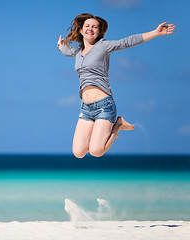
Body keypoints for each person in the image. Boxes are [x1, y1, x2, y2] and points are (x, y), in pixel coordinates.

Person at [57, 13, 175, 158]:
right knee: (78, 152)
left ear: (99, 32)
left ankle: (118, 125)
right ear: (81, 30)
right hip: (86, 108)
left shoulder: (103, 46)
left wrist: (155, 33)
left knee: (96, 151)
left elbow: (128, 41)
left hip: (104, 106)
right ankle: (113, 125)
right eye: (87, 26)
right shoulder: (77, 52)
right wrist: (61, 46)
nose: (90, 29)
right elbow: (67, 52)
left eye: (95, 27)